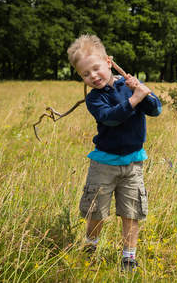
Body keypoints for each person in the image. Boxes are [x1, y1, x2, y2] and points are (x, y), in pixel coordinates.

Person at [67, 34, 162, 271]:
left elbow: (156, 110)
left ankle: (128, 257)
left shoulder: (128, 85)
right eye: (85, 74)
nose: (93, 76)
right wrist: (133, 100)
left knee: (132, 210)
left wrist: (142, 92)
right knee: (96, 210)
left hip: (133, 164)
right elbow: (110, 119)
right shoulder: (94, 99)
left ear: (109, 62)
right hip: (104, 164)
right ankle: (91, 245)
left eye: (96, 68)